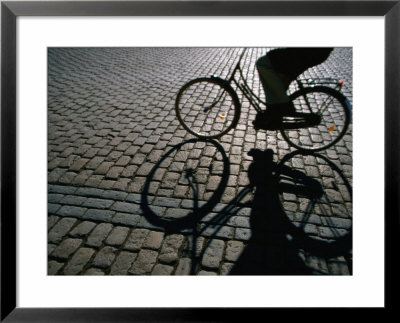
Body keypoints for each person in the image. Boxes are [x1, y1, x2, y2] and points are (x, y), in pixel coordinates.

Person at [253, 47, 333, 130]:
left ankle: (283, 106)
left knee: (262, 63)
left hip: (309, 52)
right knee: (279, 79)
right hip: (315, 52)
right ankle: (274, 114)